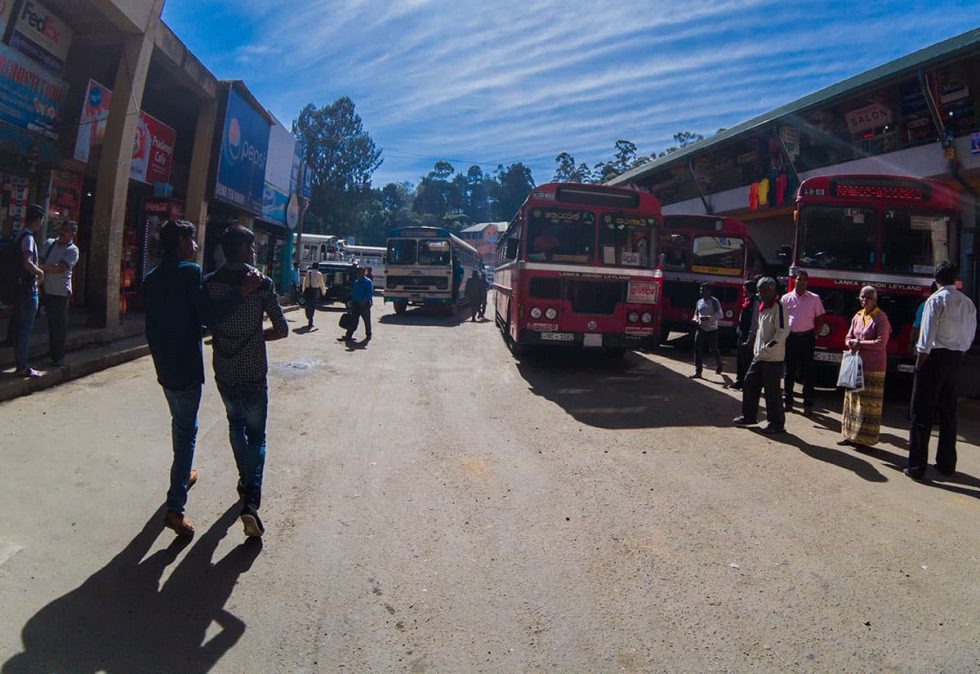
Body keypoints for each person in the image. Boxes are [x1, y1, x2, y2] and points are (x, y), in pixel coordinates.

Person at [144, 220, 261, 537]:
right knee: (186, 434)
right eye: (193, 241)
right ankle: (175, 507)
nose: (196, 247)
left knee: (180, 424)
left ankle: (183, 475)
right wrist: (242, 291)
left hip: (164, 368)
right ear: (182, 241)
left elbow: (159, 324)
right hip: (185, 369)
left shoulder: (151, 277)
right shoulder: (190, 273)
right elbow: (210, 314)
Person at [204, 225, 289, 537]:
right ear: (240, 248)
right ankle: (251, 499)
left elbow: (207, 321)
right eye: (251, 246)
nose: (254, 251)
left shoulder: (210, 283)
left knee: (234, 424)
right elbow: (281, 329)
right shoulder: (261, 283)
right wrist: (256, 336)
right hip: (253, 372)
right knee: (257, 436)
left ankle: (244, 477)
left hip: (224, 370)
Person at [905, 261, 977, 479]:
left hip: (932, 358)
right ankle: (946, 464)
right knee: (948, 413)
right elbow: (969, 336)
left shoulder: (935, 300)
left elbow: (926, 337)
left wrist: (919, 364)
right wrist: (959, 353)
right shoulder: (967, 303)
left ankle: (917, 466)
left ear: (936, 280)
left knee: (921, 414)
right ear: (955, 279)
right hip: (955, 359)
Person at [734, 277, 790, 434]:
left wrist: (767, 347)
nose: (760, 293)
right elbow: (760, 330)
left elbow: (783, 331)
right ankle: (749, 416)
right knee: (749, 383)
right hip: (759, 356)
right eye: (759, 290)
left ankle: (777, 424)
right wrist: (753, 342)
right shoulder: (763, 307)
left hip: (772, 358)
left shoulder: (778, 307)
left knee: (772, 392)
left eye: (763, 290)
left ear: (772, 290)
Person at [837, 286, 891, 449]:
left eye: (868, 298)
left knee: (868, 406)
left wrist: (860, 344)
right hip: (855, 365)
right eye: (862, 297)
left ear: (875, 300)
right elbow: (848, 336)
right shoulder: (858, 316)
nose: (865, 301)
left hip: (872, 367)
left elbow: (881, 343)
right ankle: (850, 435)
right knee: (852, 402)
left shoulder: (881, 318)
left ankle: (865, 440)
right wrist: (850, 343)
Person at [8, 204, 46, 377]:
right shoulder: (28, 238)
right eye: (42, 220)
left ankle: (20, 362)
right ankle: (22, 365)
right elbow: (27, 262)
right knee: (25, 328)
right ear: (37, 220)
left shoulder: (20, 234)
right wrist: (40, 272)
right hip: (27, 288)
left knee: (20, 325)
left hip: (19, 287)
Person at [781, 269, 826, 417]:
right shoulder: (786, 298)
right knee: (789, 370)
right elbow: (780, 318)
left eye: (804, 280)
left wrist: (816, 333)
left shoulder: (814, 298)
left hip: (807, 338)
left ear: (808, 282)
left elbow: (820, 316)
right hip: (791, 338)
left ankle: (807, 403)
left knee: (808, 371)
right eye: (799, 279)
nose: (801, 282)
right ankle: (788, 401)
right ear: (794, 280)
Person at [39, 221, 80, 367]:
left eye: (66, 230)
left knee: (58, 326)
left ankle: (57, 357)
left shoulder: (72, 250)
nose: (62, 232)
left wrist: (42, 267)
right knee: (46, 322)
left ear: (72, 234)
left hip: (60, 293)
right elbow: (41, 259)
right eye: (62, 229)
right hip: (44, 289)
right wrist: (44, 267)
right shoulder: (50, 244)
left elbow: (60, 268)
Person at [690, 283, 723, 379]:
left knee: (713, 349)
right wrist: (695, 319)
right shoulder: (699, 302)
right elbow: (696, 314)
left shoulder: (714, 302)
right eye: (701, 290)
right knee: (697, 349)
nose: (701, 292)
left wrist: (709, 318)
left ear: (709, 291)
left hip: (712, 330)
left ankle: (719, 364)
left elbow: (720, 315)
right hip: (701, 329)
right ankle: (698, 371)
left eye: (703, 290)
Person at [732, 278, 759, 390]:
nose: (743, 291)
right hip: (742, 334)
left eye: (744, 289)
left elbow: (755, 320)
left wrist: (750, 337)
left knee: (747, 360)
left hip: (748, 336)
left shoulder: (755, 302)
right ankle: (739, 380)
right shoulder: (747, 300)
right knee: (740, 359)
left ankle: (747, 384)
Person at [340, 267, 374, 342]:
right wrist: (351, 303)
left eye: (361, 272)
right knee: (353, 320)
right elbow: (354, 293)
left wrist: (364, 301)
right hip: (356, 304)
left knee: (366, 320)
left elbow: (370, 293)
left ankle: (368, 335)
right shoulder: (356, 282)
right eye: (358, 272)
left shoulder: (368, 282)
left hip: (365, 304)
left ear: (364, 273)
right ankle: (348, 335)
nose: (359, 274)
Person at [300, 262, 326, 328]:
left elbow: (304, 281)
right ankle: (310, 319)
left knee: (307, 304)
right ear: (318, 267)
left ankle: (308, 316)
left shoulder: (308, 273)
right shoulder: (319, 274)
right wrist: (323, 291)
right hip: (314, 291)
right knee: (313, 305)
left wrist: (303, 290)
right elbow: (321, 283)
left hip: (307, 290)